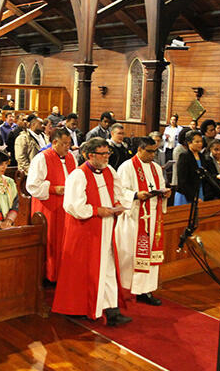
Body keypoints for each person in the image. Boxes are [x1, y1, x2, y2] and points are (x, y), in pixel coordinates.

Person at [52, 137, 131, 326]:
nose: (107, 158)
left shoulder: (110, 171)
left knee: (109, 267)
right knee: (85, 271)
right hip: (86, 230)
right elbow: (72, 205)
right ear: (89, 155)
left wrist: (118, 205)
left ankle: (111, 309)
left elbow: (117, 194)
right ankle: (83, 308)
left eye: (108, 154)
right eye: (102, 154)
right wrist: (97, 211)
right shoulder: (78, 176)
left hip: (106, 228)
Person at [115, 137, 170, 306]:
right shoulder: (127, 167)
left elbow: (160, 185)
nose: (153, 155)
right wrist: (135, 195)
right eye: (150, 151)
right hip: (135, 216)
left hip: (152, 216)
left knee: (150, 253)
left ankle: (145, 289)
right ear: (139, 149)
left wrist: (165, 193)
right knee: (132, 253)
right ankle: (127, 287)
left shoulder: (155, 168)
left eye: (155, 151)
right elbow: (119, 191)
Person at [27, 129, 77, 282]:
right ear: (54, 142)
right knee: (51, 241)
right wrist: (54, 189)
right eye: (64, 144)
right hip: (48, 208)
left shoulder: (71, 158)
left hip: (67, 207)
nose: (68, 147)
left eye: (69, 144)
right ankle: (49, 276)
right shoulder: (41, 158)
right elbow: (33, 186)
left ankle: (64, 274)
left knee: (66, 241)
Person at [175, 130, 206, 205]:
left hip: (199, 190)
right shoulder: (184, 156)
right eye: (197, 142)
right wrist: (193, 197)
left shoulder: (202, 156)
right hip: (186, 194)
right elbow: (182, 180)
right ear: (189, 143)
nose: (200, 144)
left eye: (201, 141)